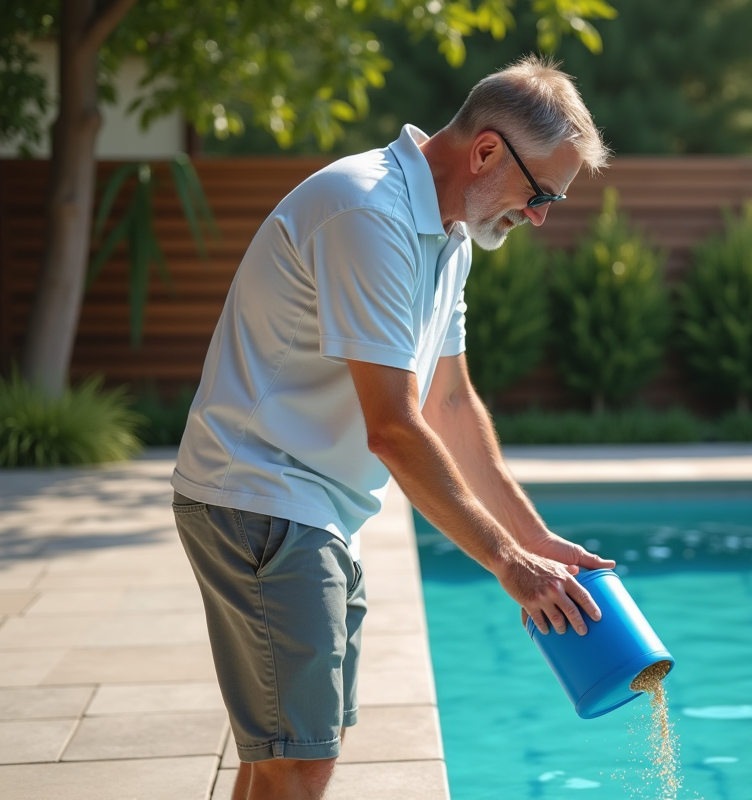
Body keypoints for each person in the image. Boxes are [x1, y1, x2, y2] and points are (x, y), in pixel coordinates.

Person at [170, 55, 615, 800]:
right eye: (540, 193)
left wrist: (534, 539)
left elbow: (452, 406)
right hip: (260, 498)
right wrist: (507, 564)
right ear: (485, 152)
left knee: (288, 751)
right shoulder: (367, 212)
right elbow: (396, 430)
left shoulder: (449, 238)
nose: (539, 216)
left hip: (311, 510)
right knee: (301, 757)